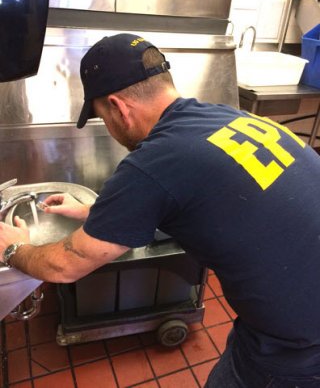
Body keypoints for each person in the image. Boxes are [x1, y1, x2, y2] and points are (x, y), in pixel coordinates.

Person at [1, 33, 320, 388]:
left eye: (102, 117)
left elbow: (63, 265)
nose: (108, 126)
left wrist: (13, 249)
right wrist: (94, 212)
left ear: (118, 107)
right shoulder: (224, 117)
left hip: (298, 346)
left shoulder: (153, 161)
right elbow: (190, 198)